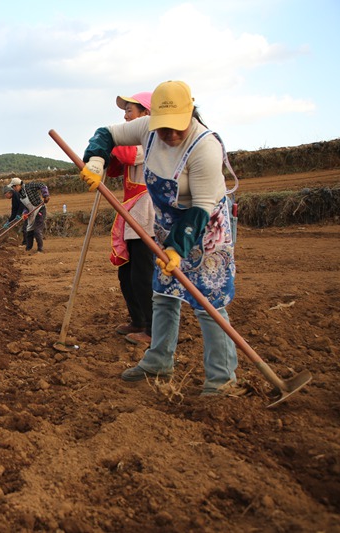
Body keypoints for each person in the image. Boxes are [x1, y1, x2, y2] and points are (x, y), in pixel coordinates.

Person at [82, 80, 240, 396]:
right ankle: (159, 360)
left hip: (205, 226)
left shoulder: (204, 146)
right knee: (164, 291)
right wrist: (95, 161)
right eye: (163, 127)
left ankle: (221, 379)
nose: (168, 134)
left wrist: (178, 249)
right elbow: (107, 134)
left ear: (190, 114)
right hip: (167, 223)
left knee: (206, 298)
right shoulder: (148, 130)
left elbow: (202, 207)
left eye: (176, 127)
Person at [106, 91, 155, 347]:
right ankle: (138, 320)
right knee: (126, 274)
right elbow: (115, 165)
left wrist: (108, 140)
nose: (125, 116)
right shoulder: (132, 141)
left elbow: (125, 154)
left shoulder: (150, 141)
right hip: (131, 214)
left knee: (143, 274)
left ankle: (152, 328)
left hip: (147, 215)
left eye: (130, 111)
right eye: (125, 112)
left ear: (146, 115)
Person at [8, 177, 50, 253]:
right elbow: (25, 206)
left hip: (40, 209)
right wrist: (25, 213)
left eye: (13, 187)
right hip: (31, 212)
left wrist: (45, 195)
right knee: (29, 230)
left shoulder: (30, 186)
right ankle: (28, 249)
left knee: (37, 231)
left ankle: (40, 249)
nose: (13, 189)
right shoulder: (20, 195)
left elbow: (42, 185)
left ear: (18, 185)